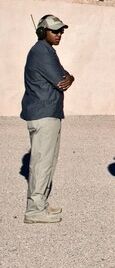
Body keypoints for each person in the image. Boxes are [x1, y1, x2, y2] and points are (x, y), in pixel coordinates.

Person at [20, 14, 75, 224]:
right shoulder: (42, 52)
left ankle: (41, 204)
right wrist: (70, 77)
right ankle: (34, 210)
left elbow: (65, 77)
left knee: (47, 162)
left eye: (61, 30)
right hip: (43, 114)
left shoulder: (46, 51)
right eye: (55, 31)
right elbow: (62, 80)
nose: (60, 34)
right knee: (42, 163)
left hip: (48, 113)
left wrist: (70, 76)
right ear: (43, 32)